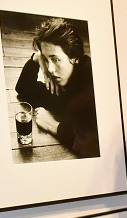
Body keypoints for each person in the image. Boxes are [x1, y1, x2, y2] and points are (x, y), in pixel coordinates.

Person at [15, 17, 100, 158]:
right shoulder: (57, 82)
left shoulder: (91, 78)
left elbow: (93, 145)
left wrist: (52, 125)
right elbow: (24, 88)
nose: (50, 69)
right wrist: (37, 59)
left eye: (55, 59)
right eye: (46, 60)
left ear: (75, 58)